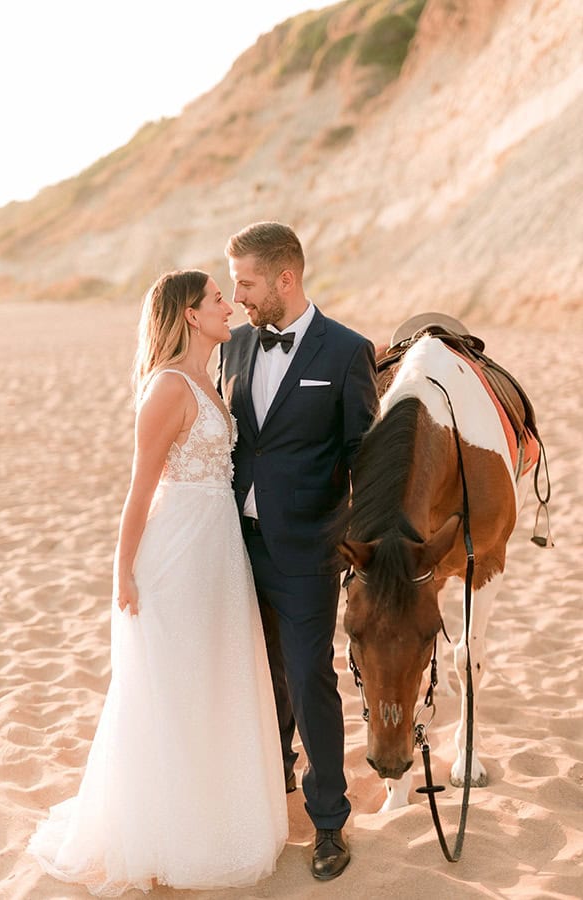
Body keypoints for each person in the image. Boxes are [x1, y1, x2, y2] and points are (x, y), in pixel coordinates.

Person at [28, 270, 288, 895]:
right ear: (191, 315)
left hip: (218, 550)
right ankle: (165, 832)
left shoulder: (211, 378)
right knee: (174, 686)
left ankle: (214, 817)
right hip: (175, 554)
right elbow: (140, 489)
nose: (229, 306)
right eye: (218, 299)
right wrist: (123, 572)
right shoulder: (169, 387)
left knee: (216, 678)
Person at [216, 222, 378, 880]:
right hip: (234, 547)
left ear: (286, 278)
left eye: (246, 283)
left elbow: (363, 455)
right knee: (257, 674)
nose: (238, 297)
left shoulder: (347, 351)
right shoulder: (235, 345)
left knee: (310, 679)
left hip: (309, 550)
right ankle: (269, 782)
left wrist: (364, 548)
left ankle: (330, 822)